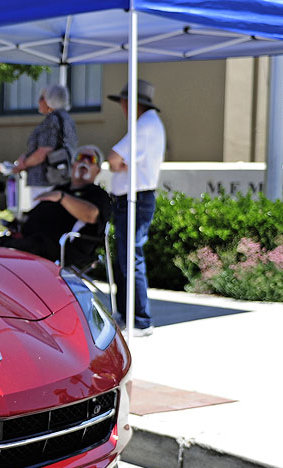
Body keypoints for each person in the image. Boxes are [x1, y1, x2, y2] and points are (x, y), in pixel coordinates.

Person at [0, 145, 110, 263]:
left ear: (97, 170)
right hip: (31, 239)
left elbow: (91, 215)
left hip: (61, 247)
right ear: (73, 164)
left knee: (10, 251)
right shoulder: (61, 188)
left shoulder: (97, 194)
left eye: (91, 159)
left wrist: (62, 198)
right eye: (81, 157)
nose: (84, 162)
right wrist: (19, 225)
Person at [107, 79, 166, 337]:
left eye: (122, 102)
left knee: (130, 257)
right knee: (128, 257)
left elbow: (113, 159)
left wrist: (119, 165)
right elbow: (118, 162)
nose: (121, 107)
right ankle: (130, 316)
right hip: (135, 197)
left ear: (130, 103)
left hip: (135, 198)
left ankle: (140, 319)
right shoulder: (148, 124)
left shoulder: (145, 125)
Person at [12, 84, 78, 211]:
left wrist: (23, 164)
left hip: (45, 179)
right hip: (61, 177)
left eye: (41, 98)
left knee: (42, 217)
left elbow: (43, 152)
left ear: (49, 100)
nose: (38, 101)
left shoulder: (52, 120)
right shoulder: (66, 118)